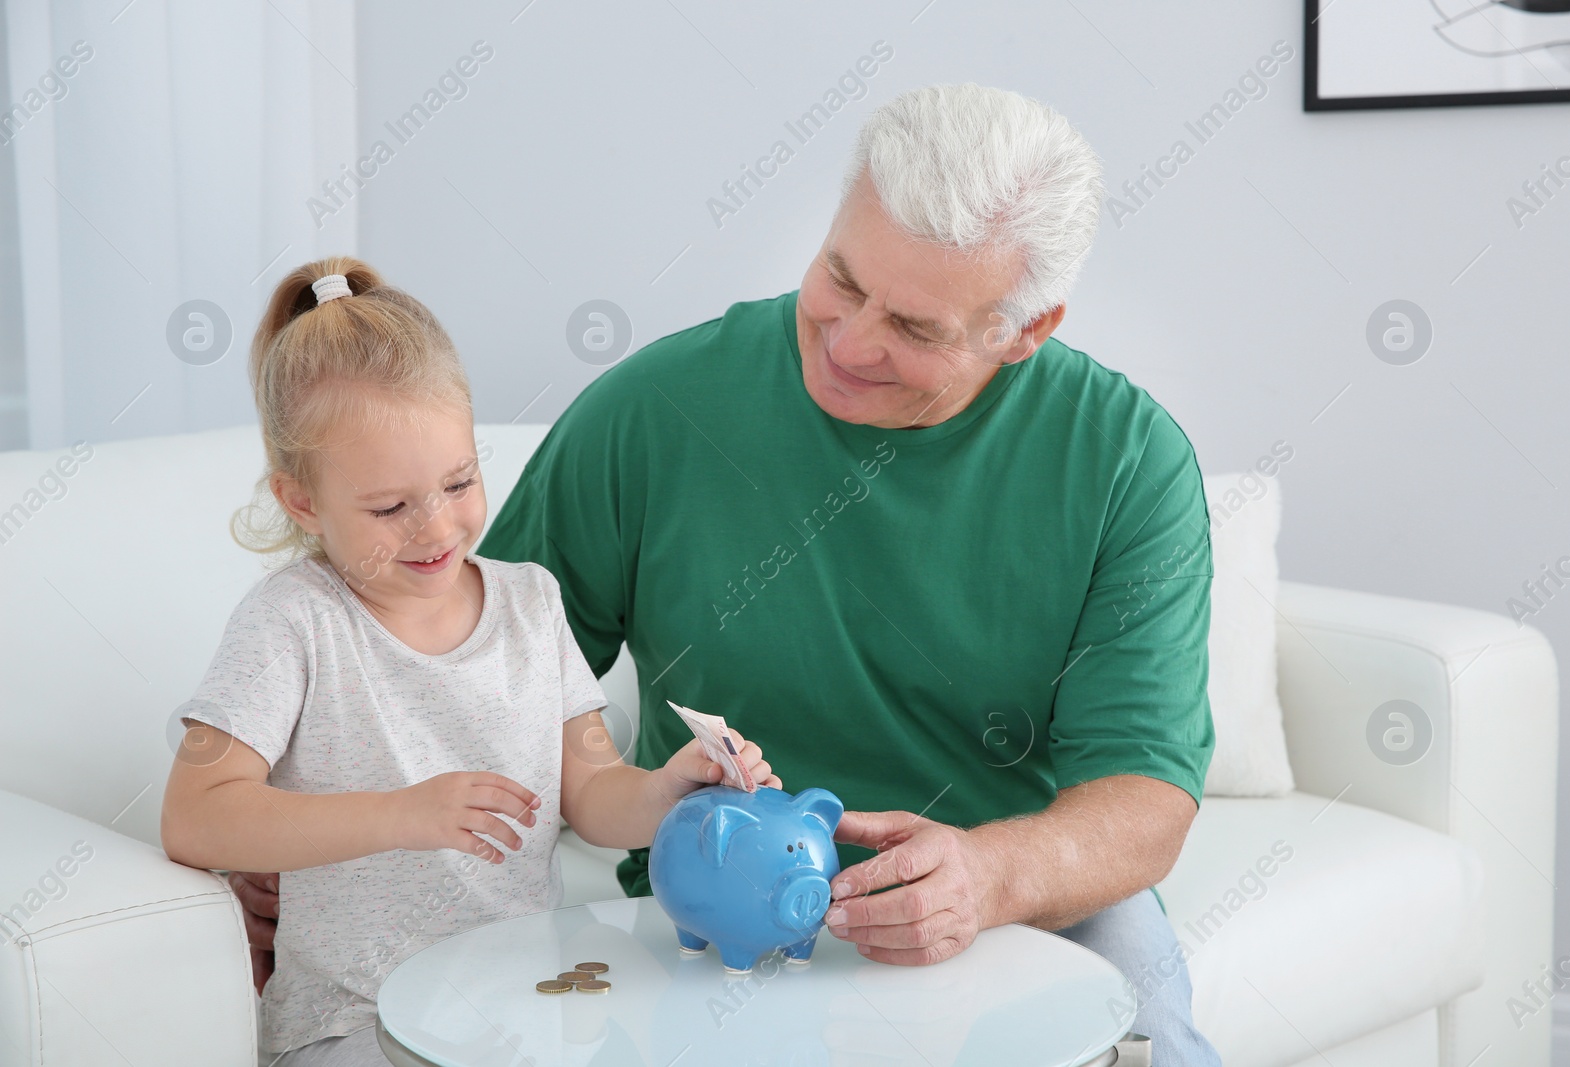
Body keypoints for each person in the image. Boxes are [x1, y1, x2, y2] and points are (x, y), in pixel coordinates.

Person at [234, 84, 1222, 1063]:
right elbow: (459, 660)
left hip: (1024, 898)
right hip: (716, 914)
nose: (847, 341)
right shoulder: (654, 411)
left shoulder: (1125, 462)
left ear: (1023, 330)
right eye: (838, 278)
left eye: (915, 329)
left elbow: (1142, 796)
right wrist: (306, 831)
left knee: (1154, 1045)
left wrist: (991, 873)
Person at [161, 257, 781, 1067]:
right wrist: (399, 814)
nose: (436, 528)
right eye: (389, 507)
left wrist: (672, 786)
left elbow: (592, 793)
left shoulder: (531, 602)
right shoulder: (294, 622)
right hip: (356, 1023)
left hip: (523, 1010)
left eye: (459, 481)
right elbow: (195, 815)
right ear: (302, 501)